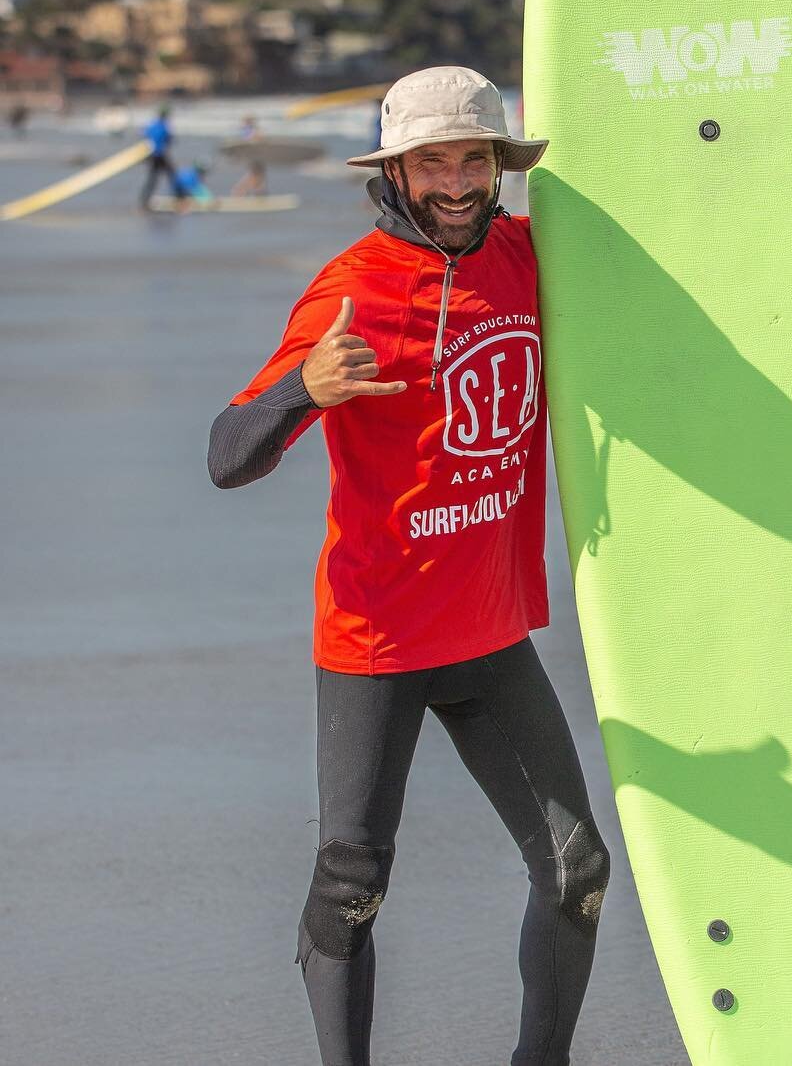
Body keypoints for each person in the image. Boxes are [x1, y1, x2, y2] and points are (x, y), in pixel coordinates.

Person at [206, 66, 612, 1066]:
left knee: (577, 871)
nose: (460, 181)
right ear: (395, 169)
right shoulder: (349, 292)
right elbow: (227, 455)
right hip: (378, 641)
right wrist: (304, 387)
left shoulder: (531, 253)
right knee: (352, 884)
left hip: (487, 635)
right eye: (434, 160)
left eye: (476, 157)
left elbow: (694, 229)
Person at [138, 105, 181, 209]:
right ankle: (180, 197)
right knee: (172, 175)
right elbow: (169, 139)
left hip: (152, 155)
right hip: (159, 154)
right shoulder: (164, 125)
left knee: (153, 177)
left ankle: (144, 200)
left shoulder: (152, 124)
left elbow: (144, 134)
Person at [231, 114, 268, 196]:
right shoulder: (248, 130)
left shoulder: (248, 129)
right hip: (253, 156)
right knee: (255, 175)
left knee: (258, 175)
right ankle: (239, 191)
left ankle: (258, 192)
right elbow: (252, 140)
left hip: (257, 155)